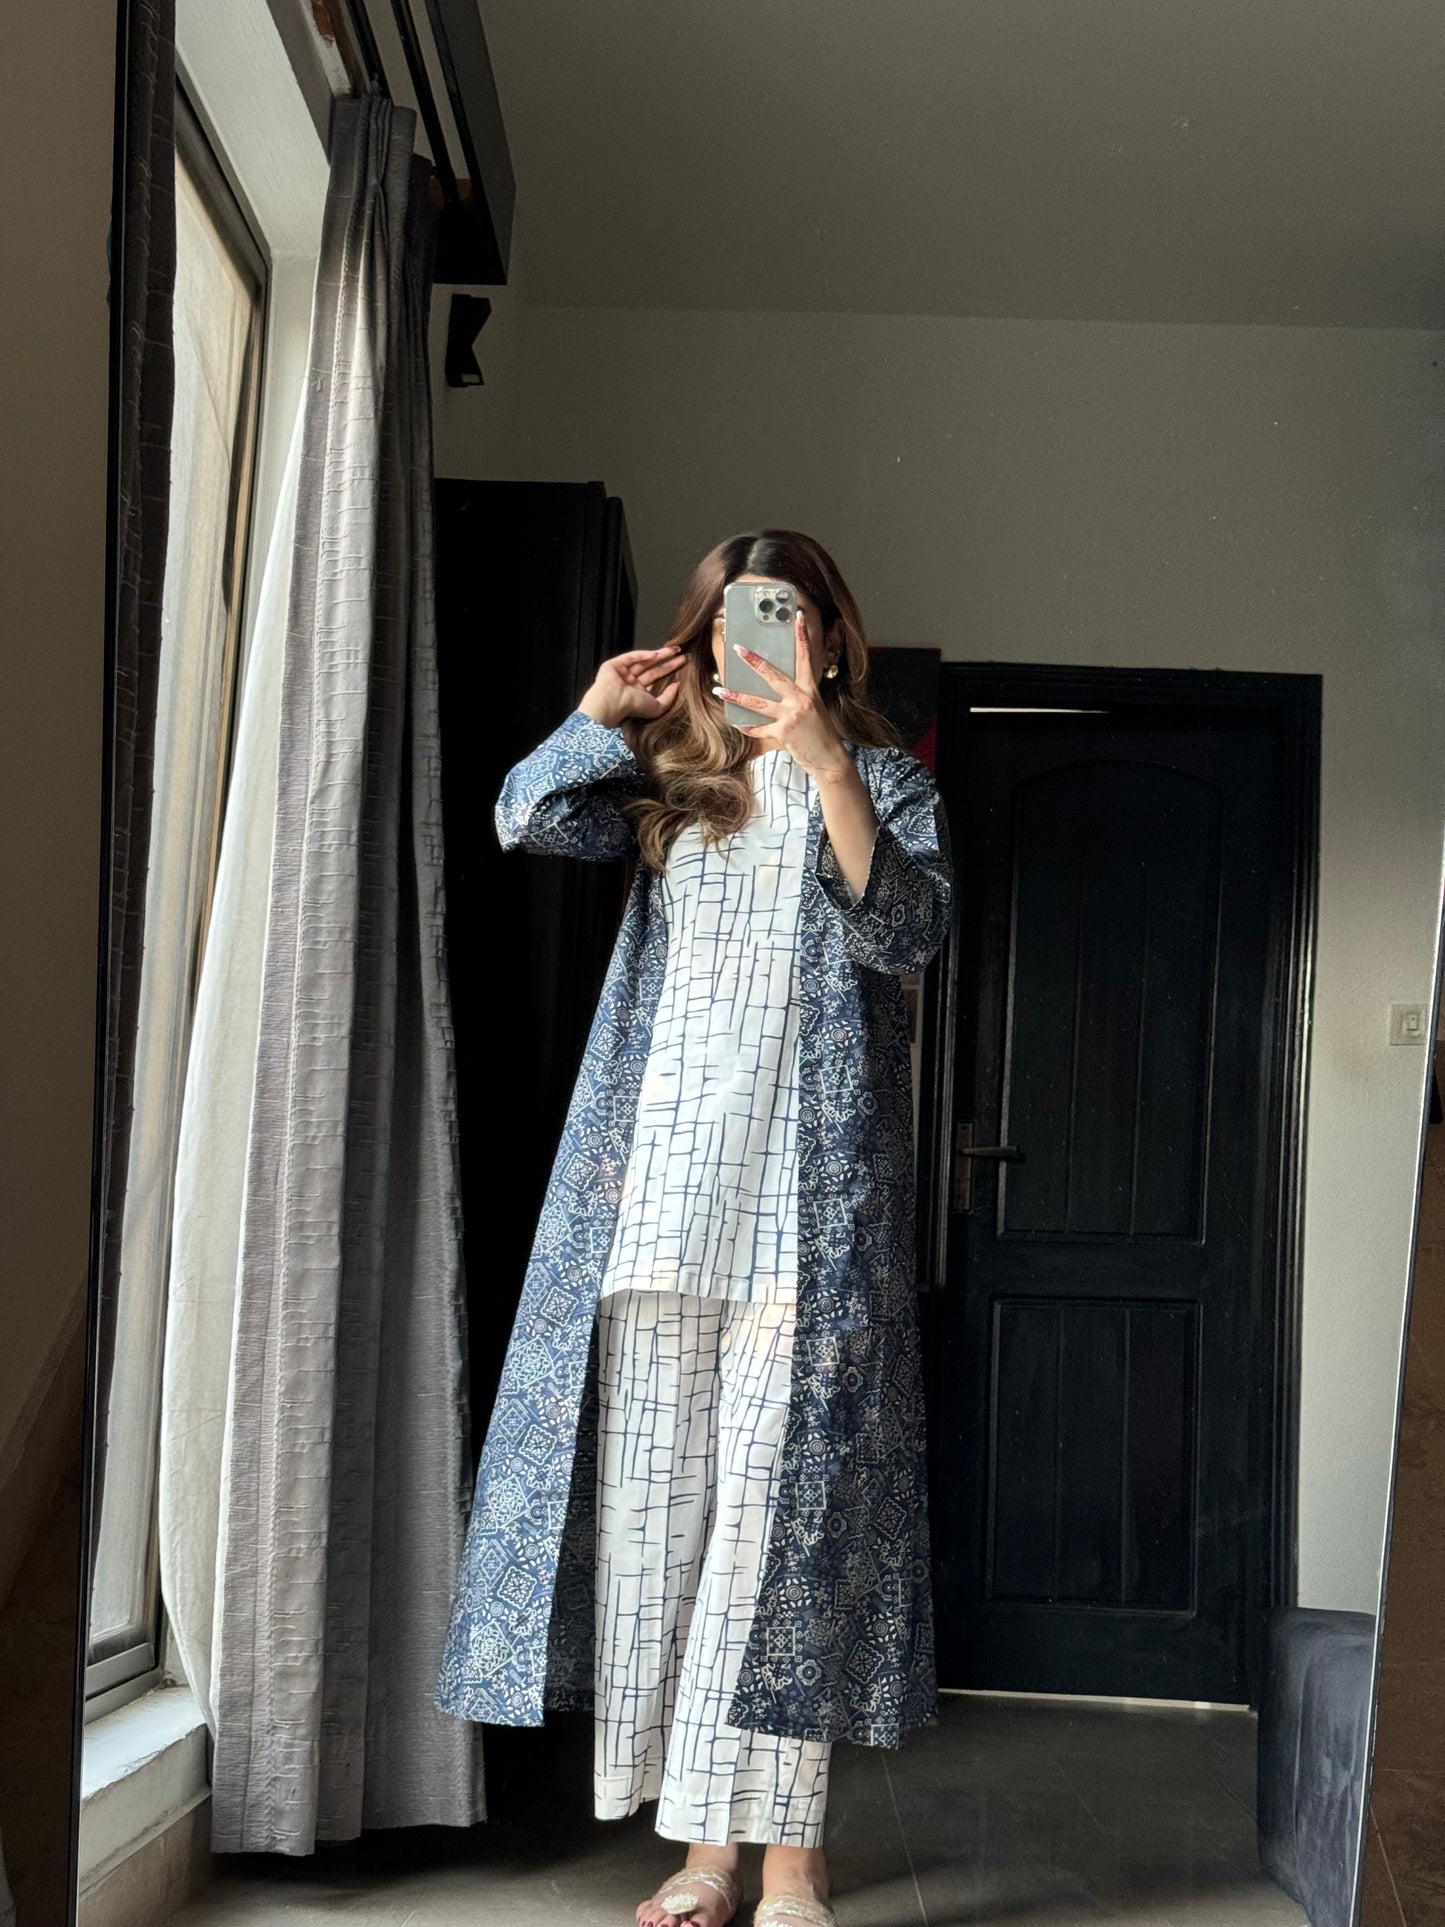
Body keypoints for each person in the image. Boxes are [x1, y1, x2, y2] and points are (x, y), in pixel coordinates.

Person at [436, 531, 954, 1927]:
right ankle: (707, 1851)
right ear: (705, 639)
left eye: (786, 615)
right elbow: (525, 817)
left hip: (807, 1222)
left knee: (776, 1541)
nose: (762, 639)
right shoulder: (668, 786)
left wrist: (828, 768)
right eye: (733, 619)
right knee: (662, 1535)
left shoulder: (888, 783)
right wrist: (598, 712)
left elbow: (905, 935)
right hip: (659, 1209)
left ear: (830, 636)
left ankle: (790, 1862)